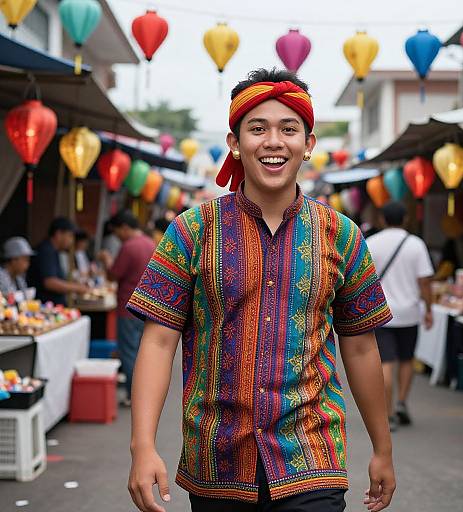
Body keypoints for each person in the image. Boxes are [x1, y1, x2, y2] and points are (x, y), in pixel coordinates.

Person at [126, 69, 396, 512]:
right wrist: (142, 445)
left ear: (309, 145)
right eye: (258, 128)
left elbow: (362, 347)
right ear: (235, 143)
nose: (274, 141)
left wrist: (383, 450)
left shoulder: (341, 235)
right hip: (217, 461)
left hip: (311, 457)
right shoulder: (192, 231)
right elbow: (158, 341)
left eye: (289, 129)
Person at [366, 202, 434, 432]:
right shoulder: (416, 245)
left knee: (386, 363)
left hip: (381, 313)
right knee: (406, 359)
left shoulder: (371, 243)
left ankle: (389, 413)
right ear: (405, 219)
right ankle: (402, 402)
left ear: (382, 220)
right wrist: (429, 308)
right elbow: (424, 281)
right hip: (410, 312)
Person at [98, 210, 156, 406]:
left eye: (117, 232)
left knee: (129, 352)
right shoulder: (150, 243)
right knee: (143, 351)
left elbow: (114, 275)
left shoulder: (129, 247)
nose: (117, 237)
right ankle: (146, 393)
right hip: (147, 305)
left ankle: (134, 395)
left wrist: (106, 261)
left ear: (124, 228)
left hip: (128, 306)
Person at [27, 217, 90, 305]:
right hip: (46, 305)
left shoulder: (53, 250)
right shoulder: (46, 250)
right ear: (58, 234)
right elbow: (50, 282)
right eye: (70, 235)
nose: (71, 241)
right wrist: (77, 288)